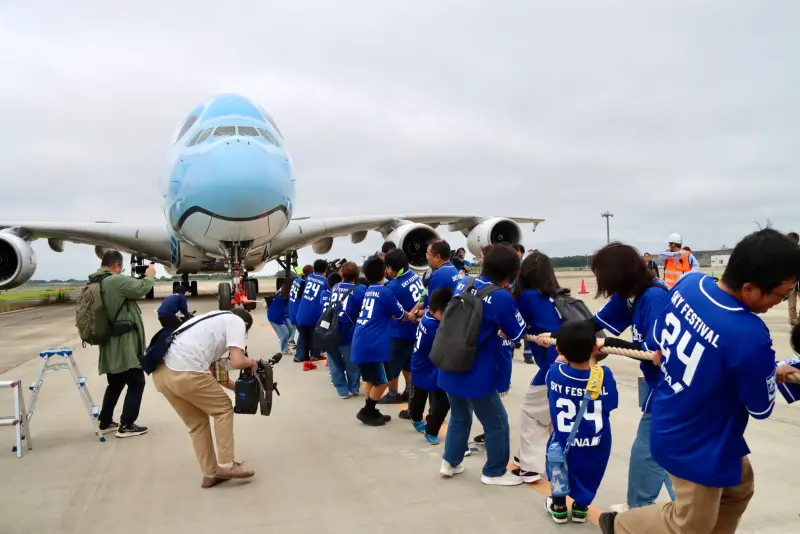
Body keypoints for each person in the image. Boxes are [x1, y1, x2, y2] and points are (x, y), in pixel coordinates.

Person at [603, 228, 800, 534]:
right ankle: (620, 525)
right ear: (749, 288)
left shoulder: (690, 285)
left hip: (677, 418)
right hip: (697, 441)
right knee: (690, 524)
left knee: (737, 490)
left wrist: (766, 368)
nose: (781, 300)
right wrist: (768, 372)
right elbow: (761, 407)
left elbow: (672, 345)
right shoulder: (749, 334)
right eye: (782, 294)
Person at [572, 242, 674, 511]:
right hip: (656, 385)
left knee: (648, 452)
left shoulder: (654, 297)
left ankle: (639, 512)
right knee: (664, 452)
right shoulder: (629, 295)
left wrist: (606, 345)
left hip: (673, 388)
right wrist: (564, 337)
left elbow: (653, 352)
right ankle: (688, 513)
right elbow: (594, 324)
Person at [437, 244, 526, 486]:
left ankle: (450, 461)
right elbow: (517, 333)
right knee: (496, 422)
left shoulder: (463, 283)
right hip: (476, 372)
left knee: (459, 415)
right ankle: (495, 471)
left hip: (448, 363)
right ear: (510, 272)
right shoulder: (500, 297)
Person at [152, 308, 260, 488]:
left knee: (197, 423)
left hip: (162, 375)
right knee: (224, 409)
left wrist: (237, 388)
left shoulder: (208, 321)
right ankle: (226, 465)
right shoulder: (237, 322)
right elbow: (237, 361)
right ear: (246, 325)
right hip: (186, 372)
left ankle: (210, 473)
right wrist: (252, 362)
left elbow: (214, 370)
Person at [544, 321, 618, 524]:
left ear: (558, 349)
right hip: (596, 441)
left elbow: (559, 363)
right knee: (590, 473)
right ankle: (580, 508)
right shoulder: (605, 376)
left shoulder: (555, 373)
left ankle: (559, 507)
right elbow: (610, 405)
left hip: (565, 437)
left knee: (558, 465)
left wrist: (561, 354)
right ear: (595, 349)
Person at [90, 250, 155, 438]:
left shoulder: (97, 280)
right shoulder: (114, 281)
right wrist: (149, 276)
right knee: (137, 382)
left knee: (116, 383)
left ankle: (105, 420)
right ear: (117, 266)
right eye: (121, 267)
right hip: (124, 344)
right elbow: (141, 288)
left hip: (110, 342)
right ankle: (127, 425)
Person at [511, 251, 563, 483]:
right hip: (574, 360)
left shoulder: (527, 297)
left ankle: (531, 467)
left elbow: (513, 326)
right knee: (552, 415)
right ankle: (536, 457)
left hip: (554, 364)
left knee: (532, 412)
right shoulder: (556, 295)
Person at [350, 255, 415, 426]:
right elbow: (401, 315)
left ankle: (370, 409)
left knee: (371, 379)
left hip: (361, 341)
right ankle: (367, 411)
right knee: (384, 380)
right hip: (373, 344)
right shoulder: (385, 292)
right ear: (384, 272)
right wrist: (416, 315)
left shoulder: (368, 290)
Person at [407, 287, 453, 445]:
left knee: (441, 401)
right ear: (432, 310)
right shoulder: (434, 327)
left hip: (433, 366)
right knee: (418, 397)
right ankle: (416, 418)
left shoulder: (428, 316)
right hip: (424, 365)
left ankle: (431, 428)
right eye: (443, 313)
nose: (446, 316)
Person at [380, 249, 425, 404]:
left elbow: (391, 312)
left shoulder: (393, 286)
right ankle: (408, 390)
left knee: (391, 365)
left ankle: (393, 393)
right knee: (407, 361)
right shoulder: (414, 276)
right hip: (416, 328)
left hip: (400, 331)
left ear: (391, 269)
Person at [328, 261, 365, 398]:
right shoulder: (360, 290)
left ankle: (341, 390)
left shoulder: (336, 286)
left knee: (334, 362)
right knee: (352, 363)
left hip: (332, 330)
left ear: (341, 273)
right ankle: (354, 387)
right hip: (349, 332)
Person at [295, 260, 329, 371]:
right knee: (314, 337)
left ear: (314, 269)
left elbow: (301, 275)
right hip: (314, 315)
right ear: (325, 271)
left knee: (305, 339)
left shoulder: (309, 276)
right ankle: (310, 359)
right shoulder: (325, 281)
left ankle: (308, 360)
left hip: (301, 313)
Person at [411, 240, 460, 319]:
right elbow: (425, 297)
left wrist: (416, 313)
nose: (426, 257)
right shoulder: (452, 269)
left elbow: (432, 310)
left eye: (428, 254)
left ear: (437, 257)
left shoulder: (439, 275)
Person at [267, 282, 294, 355]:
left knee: (291, 329)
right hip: (275, 317)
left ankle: (284, 342)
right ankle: (283, 349)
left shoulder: (282, 293)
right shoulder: (284, 297)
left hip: (282, 314)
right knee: (285, 334)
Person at [787, 231, 799, 327]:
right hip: (790, 283)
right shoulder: (784, 253)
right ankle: (794, 325)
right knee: (792, 306)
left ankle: (797, 322)